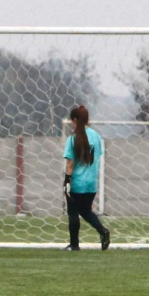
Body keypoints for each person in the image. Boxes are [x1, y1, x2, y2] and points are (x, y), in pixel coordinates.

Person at [63, 106, 110, 251]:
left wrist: (67, 181)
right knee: (85, 211)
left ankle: (74, 245)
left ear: (75, 120)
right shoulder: (96, 136)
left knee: (73, 212)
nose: (71, 124)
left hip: (77, 182)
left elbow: (70, 164)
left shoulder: (72, 138)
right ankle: (103, 231)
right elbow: (98, 155)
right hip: (91, 183)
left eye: (72, 121)